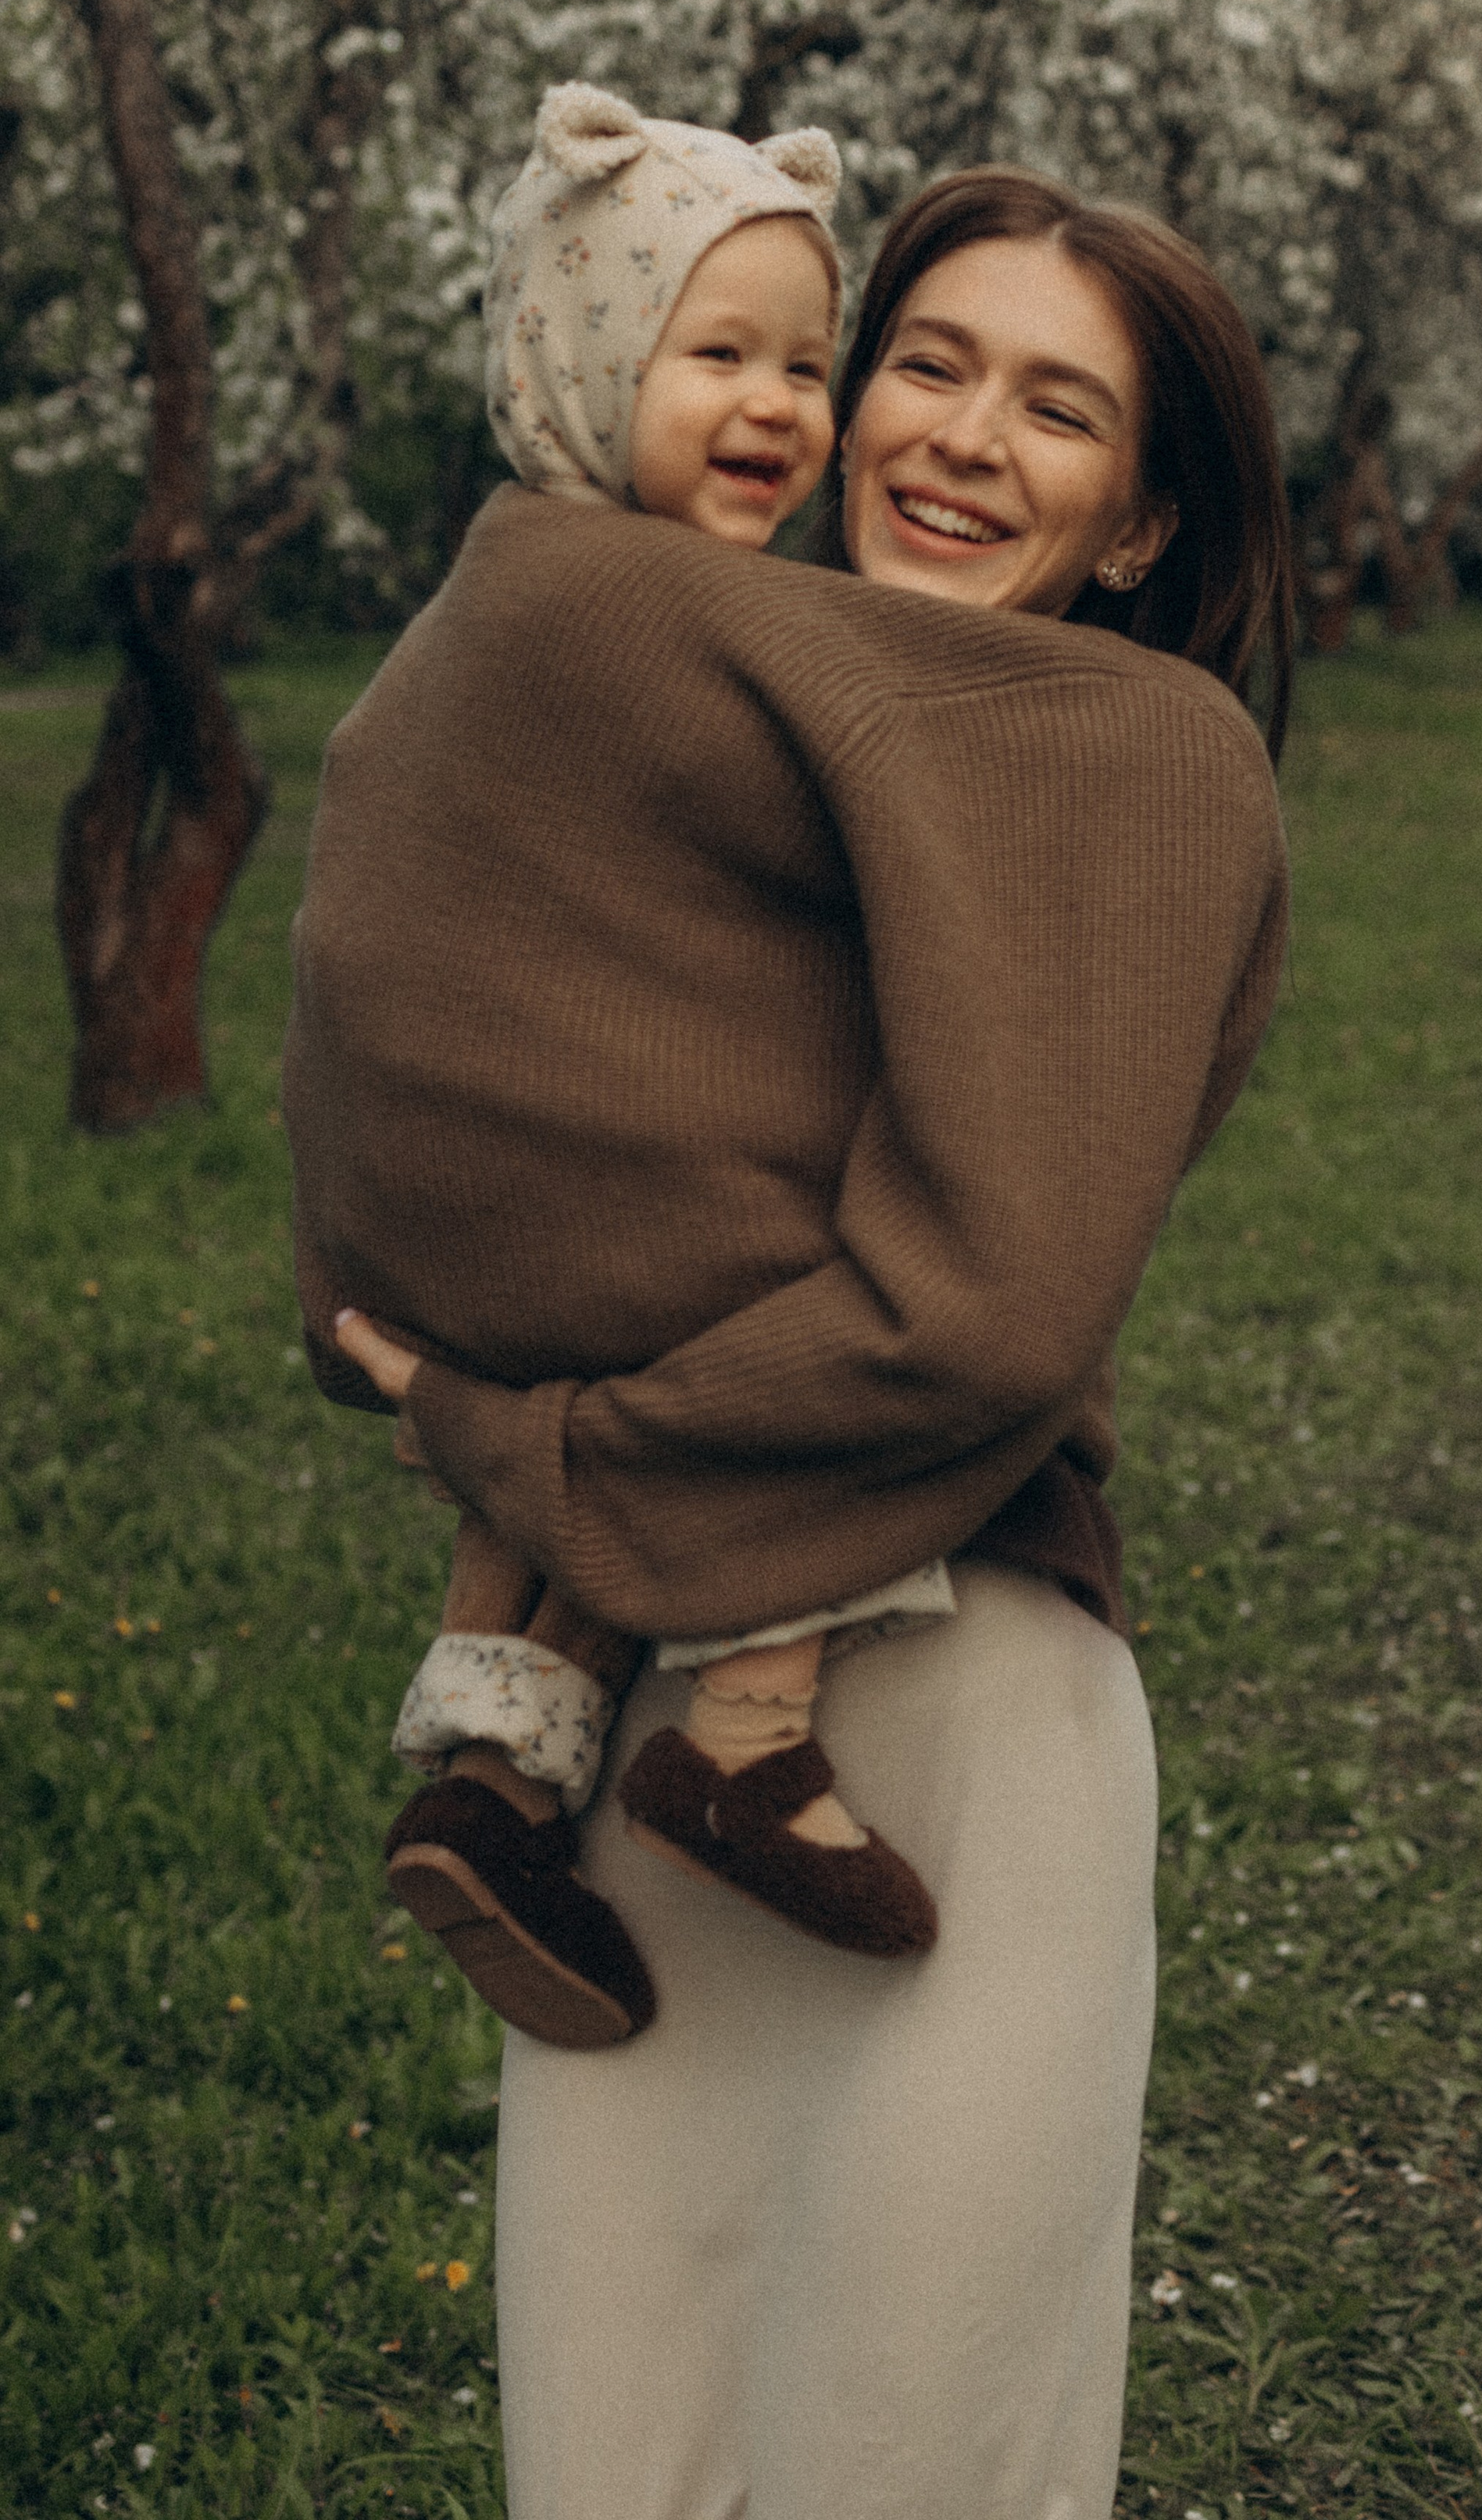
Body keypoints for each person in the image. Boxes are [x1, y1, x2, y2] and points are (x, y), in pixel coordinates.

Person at [312, 165, 1293, 2520]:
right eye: (925, 367)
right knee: (630, 2438)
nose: (958, 439)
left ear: (1142, 517)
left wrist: (494, 1430)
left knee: (914, 2444)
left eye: (1057, 410)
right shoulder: (705, 709)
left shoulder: (1132, 771)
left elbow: (991, 1313)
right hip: (662, 1733)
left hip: (953, 1715)